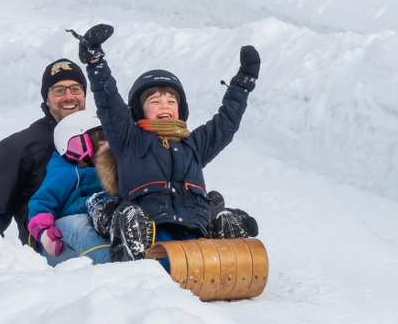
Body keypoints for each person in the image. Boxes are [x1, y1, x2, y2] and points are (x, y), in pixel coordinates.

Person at [72, 23, 260, 261]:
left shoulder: (194, 144)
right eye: (155, 100)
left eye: (172, 101)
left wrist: (242, 85)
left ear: (180, 111)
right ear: (140, 111)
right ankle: (133, 253)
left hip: (194, 232)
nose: (165, 105)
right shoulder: (130, 140)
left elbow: (226, 122)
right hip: (151, 231)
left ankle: (228, 252)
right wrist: (95, 60)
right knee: (131, 216)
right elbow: (109, 103)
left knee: (221, 215)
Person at [0, 58, 89, 251]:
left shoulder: (102, 138)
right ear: (46, 98)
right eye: (59, 90)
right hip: (51, 249)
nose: (69, 97)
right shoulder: (18, 147)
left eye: (76, 89)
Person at [27, 110, 112, 265]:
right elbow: (41, 202)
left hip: (98, 224)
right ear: (77, 144)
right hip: (61, 239)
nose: (107, 150)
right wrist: (45, 233)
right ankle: (116, 264)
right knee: (80, 225)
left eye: (110, 144)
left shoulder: (111, 170)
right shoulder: (65, 172)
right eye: (101, 144)